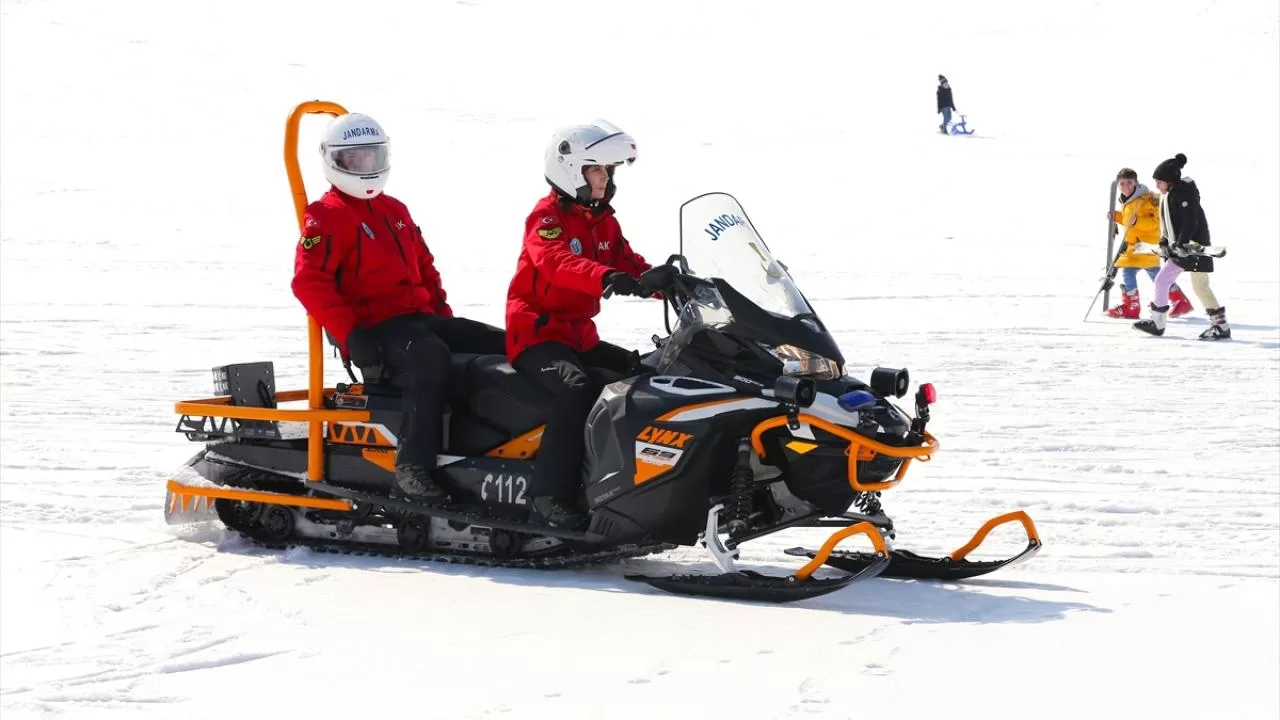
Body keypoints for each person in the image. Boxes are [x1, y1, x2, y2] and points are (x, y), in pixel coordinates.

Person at [292, 112, 504, 505]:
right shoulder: (327, 216)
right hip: (376, 327)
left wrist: (444, 317)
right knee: (430, 356)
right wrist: (351, 334)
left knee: (494, 342)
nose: (366, 168)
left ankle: (488, 445)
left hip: (418, 320)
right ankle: (412, 467)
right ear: (334, 161)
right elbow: (309, 281)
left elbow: (425, 268)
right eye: (355, 161)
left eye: (372, 158)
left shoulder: (395, 211)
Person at [504, 120, 668, 528]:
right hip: (538, 335)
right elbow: (556, 262)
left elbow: (630, 265)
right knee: (575, 391)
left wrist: (672, 284)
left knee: (642, 374)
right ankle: (549, 496)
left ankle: (627, 485)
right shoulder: (546, 219)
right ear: (572, 171)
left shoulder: (603, 222)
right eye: (598, 170)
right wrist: (604, 277)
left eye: (608, 171)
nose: (606, 179)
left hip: (579, 335)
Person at [1134, 154, 1230, 340]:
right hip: (1181, 249)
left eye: (1159, 182)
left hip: (1191, 248)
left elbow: (1189, 221)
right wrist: (1164, 240)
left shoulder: (1183, 195)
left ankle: (1159, 324)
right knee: (1186, 284)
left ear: (1169, 181)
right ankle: (1220, 326)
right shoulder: (1168, 196)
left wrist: (1180, 242)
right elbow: (1169, 223)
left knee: (1177, 283)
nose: (1157, 186)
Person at [1105, 168, 1193, 319]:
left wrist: (1138, 221)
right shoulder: (1129, 200)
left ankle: (1131, 307)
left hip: (1145, 246)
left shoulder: (1146, 200)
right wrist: (1117, 216)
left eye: (1130, 183)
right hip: (1137, 246)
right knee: (1156, 276)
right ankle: (1179, 300)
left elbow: (1155, 222)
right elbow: (1129, 221)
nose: (1126, 187)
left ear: (1136, 182)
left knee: (1129, 272)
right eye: (1122, 184)